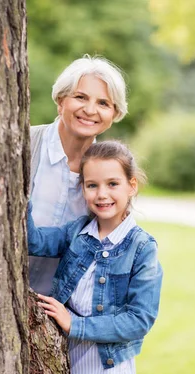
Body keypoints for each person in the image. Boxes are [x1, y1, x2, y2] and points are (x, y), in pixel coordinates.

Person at [28, 140, 163, 374]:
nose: (102, 194)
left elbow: (139, 320)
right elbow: (35, 241)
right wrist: (21, 198)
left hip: (105, 364)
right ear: (83, 189)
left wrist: (75, 324)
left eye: (112, 184)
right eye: (92, 185)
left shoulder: (142, 247)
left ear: (131, 186)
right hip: (64, 350)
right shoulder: (78, 231)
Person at [29, 54, 128, 295]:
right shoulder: (24, 143)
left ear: (114, 114)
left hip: (58, 312)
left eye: (104, 103)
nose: (90, 110)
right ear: (61, 101)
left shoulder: (111, 173)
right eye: (80, 97)